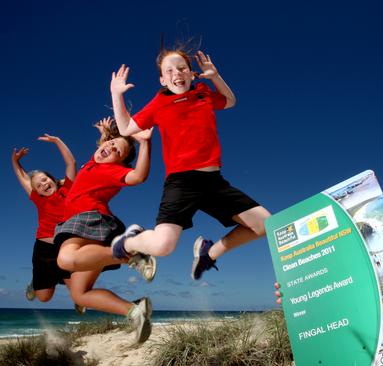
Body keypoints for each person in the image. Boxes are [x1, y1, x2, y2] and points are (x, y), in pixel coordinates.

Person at [109, 48, 270, 280]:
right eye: (170, 70)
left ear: (192, 74)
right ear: (163, 79)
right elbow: (125, 128)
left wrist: (214, 76)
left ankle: (209, 253)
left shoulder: (203, 93)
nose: (177, 73)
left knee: (265, 224)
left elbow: (230, 101)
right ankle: (131, 241)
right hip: (182, 182)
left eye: (182, 68)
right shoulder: (159, 103)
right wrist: (116, 94)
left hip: (214, 182)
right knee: (164, 246)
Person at [54, 118, 156, 343]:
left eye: (116, 150)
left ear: (120, 161)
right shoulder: (95, 161)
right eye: (108, 145)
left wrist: (145, 144)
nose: (108, 148)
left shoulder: (111, 170)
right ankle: (134, 311)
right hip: (88, 224)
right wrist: (106, 134)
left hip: (88, 219)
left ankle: (129, 251)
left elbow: (138, 176)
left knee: (65, 259)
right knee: (79, 294)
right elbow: (105, 146)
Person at [11, 134, 77, 305]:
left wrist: (57, 141)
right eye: (39, 186)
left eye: (44, 180)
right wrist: (15, 161)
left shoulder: (68, 189)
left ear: (52, 178)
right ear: (37, 192)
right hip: (44, 250)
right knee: (44, 298)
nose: (44, 185)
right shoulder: (39, 199)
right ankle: (35, 283)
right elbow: (23, 178)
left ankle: (80, 299)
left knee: (76, 287)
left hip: (65, 246)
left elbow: (71, 163)